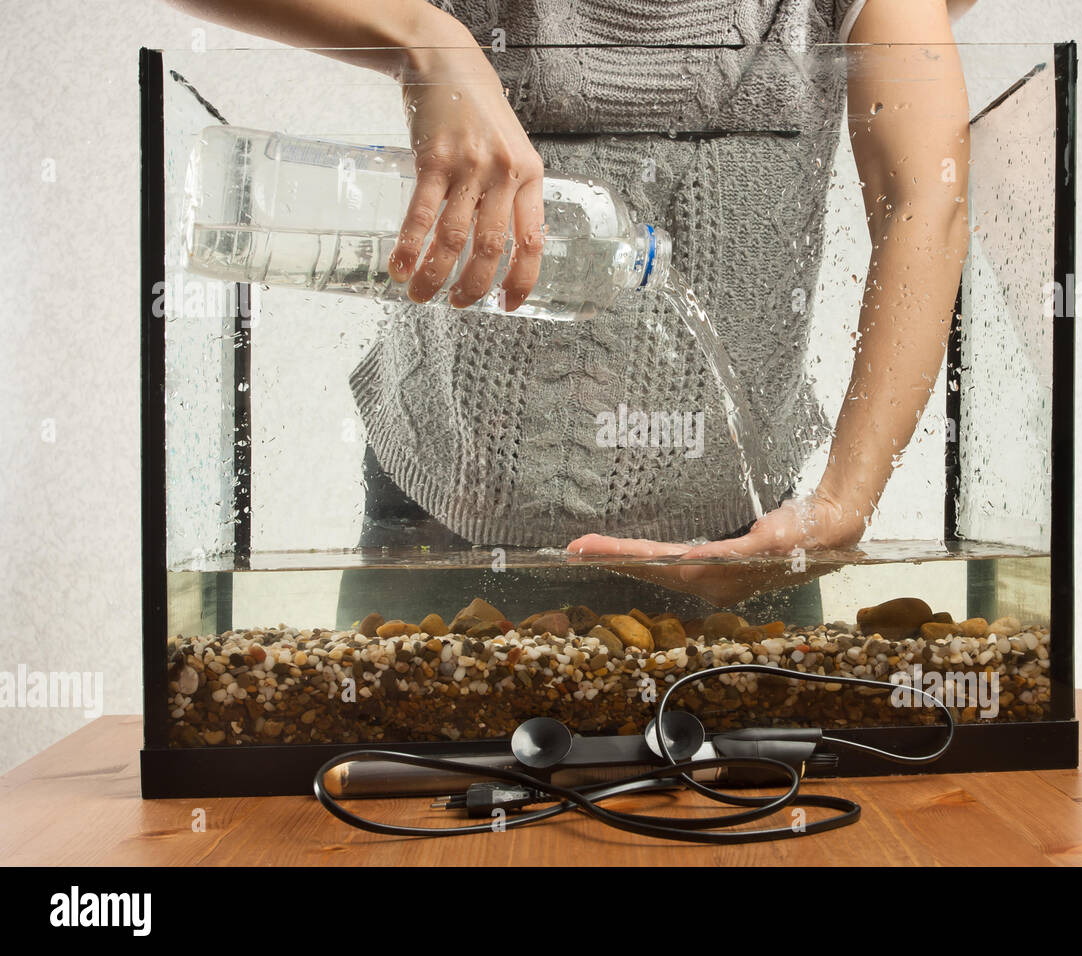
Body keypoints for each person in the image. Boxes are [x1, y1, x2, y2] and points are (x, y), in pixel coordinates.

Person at [167, 0, 972, 622]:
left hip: (742, 550)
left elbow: (922, 200)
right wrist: (421, 34)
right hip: (439, 530)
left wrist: (841, 504)